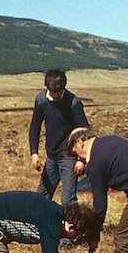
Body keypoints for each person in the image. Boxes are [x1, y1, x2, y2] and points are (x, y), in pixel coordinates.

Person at [28, 68, 89, 208]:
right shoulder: (41, 100)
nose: (55, 97)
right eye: (52, 93)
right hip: (52, 156)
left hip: (69, 157)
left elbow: (85, 133)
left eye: (58, 94)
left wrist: (81, 160)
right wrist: (34, 153)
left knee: (68, 201)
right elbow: (35, 126)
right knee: (41, 197)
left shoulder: (73, 103)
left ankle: (74, 227)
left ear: (64, 88)